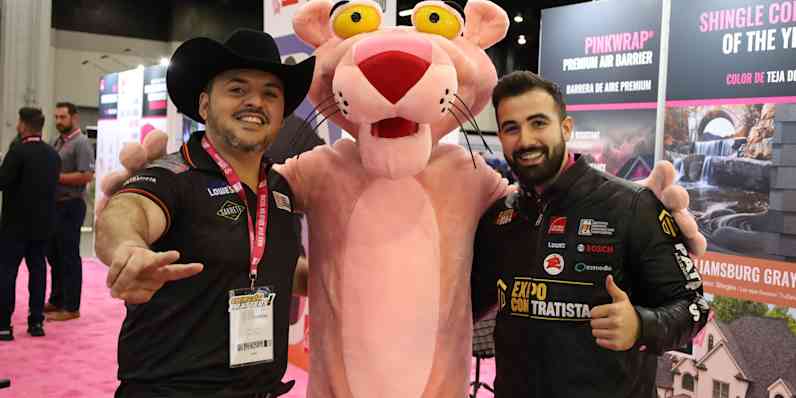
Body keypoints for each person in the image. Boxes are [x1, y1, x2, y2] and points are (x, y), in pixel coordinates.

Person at [94, 29, 315, 397]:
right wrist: (127, 250)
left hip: (260, 390)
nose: (255, 102)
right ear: (204, 105)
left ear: (281, 114)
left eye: (269, 94)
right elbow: (125, 212)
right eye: (237, 89)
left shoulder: (279, 189)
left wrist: (334, 281)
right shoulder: (173, 174)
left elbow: (268, 265)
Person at [471, 71, 709, 398]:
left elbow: (693, 305)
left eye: (538, 123)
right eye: (512, 128)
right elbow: (464, 302)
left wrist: (640, 326)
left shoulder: (632, 206)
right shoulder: (500, 216)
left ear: (565, 128)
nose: (525, 140)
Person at [0, 107, 62, 340]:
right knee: (38, 273)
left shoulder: (17, 152)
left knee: (7, 274)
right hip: (43, 225)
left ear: (23, 125)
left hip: (14, 226)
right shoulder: (52, 155)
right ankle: (36, 323)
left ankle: (4, 325)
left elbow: (3, 182)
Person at [45, 101, 95, 321]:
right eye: (56, 117)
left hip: (71, 204)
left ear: (74, 118)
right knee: (54, 254)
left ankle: (71, 306)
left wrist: (54, 177)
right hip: (54, 206)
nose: (58, 121)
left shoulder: (81, 143)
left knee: (69, 256)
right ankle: (56, 299)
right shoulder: (56, 142)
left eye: (62, 117)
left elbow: (86, 175)